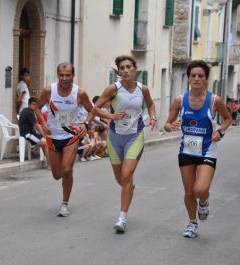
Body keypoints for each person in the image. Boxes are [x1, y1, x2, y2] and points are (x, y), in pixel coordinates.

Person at [164, 60, 231, 238]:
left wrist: (220, 132)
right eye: (193, 75)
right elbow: (167, 124)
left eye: (200, 76)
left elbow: (227, 118)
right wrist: (170, 126)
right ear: (188, 78)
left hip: (207, 150)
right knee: (188, 192)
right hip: (186, 151)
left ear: (206, 79)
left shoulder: (214, 100)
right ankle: (192, 223)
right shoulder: (180, 100)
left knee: (200, 189)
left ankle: (204, 201)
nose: (196, 78)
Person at [91, 55, 158, 232]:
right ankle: (129, 188)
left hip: (134, 136)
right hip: (114, 137)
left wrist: (153, 116)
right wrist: (111, 116)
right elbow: (95, 108)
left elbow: (150, 105)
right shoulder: (113, 89)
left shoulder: (143, 89)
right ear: (119, 72)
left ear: (135, 69)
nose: (126, 70)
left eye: (129, 67)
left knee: (127, 175)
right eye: (122, 68)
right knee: (120, 179)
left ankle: (122, 217)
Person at [34, 62, 93, 217]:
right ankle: (64, 178)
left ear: (73, 75)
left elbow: (91, 111)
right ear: (58, 75)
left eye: (67, 75)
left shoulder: (79, 93)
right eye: (61, 75)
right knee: (57, 175)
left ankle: (65, 204)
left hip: (71, 135)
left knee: (67, 169)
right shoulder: (49, 90)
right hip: (53, 136)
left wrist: (85, 124)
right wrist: (43, 123)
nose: (64, 78)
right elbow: (37, 107)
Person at [18, 97, 50, 168]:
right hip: (27, 134)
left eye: (36, 104)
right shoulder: (29, 112)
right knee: (46, 144)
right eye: (33, 104)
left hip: (30, 132)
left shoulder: (28, 110)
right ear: (29, 104)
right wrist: (44, 135)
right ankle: (49, 165)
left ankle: (47, 160)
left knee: (44, 144)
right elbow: (37, 126)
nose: (35, 106)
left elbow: (38, 123)